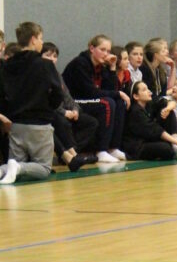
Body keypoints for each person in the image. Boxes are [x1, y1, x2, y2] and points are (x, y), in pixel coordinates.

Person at [0, 21, 63, 185]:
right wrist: (49, 107)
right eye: (41, 38)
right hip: (39, 122)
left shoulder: (7, 66)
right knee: (43, 168)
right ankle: (18, 168)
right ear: (33, 39)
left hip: (16, 124)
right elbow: (58, 92)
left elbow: (2, 94)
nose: (42, 42)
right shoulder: (45, 64)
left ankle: (4, 170)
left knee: (14, 165)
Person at [62, 34, 128, 163]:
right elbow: (90, 92)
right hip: (75, 101)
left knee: (119, 102)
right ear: (92, 48)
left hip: (89, 100)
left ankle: (113, 147)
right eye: (102, 50)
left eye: (108, 51)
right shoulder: (80, 63)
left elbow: (110, 89)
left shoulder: (101, 65)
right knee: (107, 103)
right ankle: (101, 150)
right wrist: (117, 93)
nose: (106, 54)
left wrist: (112, 67)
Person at [41, 42, 98, 171]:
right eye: (48, 55)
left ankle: (72, 153)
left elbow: (68, 96)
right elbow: (46, 101)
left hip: (66, 112)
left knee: (91, 122)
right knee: (62, 122)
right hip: (53, 112)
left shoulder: (57, 75)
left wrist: (75, 109)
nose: (52, 59)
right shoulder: (41, 76)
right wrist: (64, 112)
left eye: (55, 56)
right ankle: (71, 155)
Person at [122, 81, 177, 162]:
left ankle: (175, 145)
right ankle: (175, 146)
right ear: (136, 96)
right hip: (137, 146)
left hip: (149, 140)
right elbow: (156, 130)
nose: (149, 91)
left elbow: (170, 102)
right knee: (166, 149)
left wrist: (167, 109)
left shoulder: (148, 104)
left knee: (169, 112)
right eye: (144, 90)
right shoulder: (135, 111)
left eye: (148, 89)